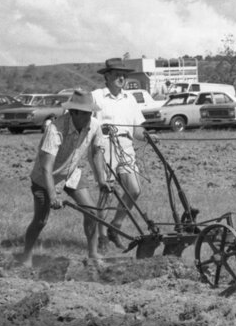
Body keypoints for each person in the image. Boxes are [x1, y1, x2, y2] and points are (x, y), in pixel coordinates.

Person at [20, 90, 112, 266]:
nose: (88, 117)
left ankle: (92, 254)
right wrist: (53, 196)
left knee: (92, 212)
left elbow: (96, 152)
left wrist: (101, 179)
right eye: (84, 113)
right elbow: (47, 168)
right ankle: (26, 255)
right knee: (41, 220)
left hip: (71, 173)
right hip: (45, 179)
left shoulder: (94, 125)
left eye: (90, 112)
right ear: (73, 113)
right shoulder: (55, 130)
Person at [92, 57, 147, 249]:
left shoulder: (130, 98)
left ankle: (115, 226)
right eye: (116, 74)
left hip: (126, 148)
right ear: (107, 76)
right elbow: (87, 125)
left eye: (123, 74)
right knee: (107, 191)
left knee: (134, 190)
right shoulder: (97, 97)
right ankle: (102, 237)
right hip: (104, 147)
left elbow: (137, 129)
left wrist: (148, 136)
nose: (121, 78)